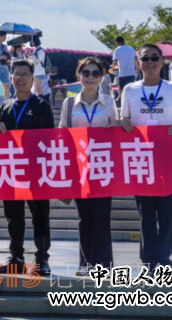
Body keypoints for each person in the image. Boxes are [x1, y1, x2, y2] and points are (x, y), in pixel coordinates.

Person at [120, 43, 172, 269]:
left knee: (168, 208)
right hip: (139, 155)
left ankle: (163, 258)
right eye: (145, 58)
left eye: (154, 58)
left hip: (167, 154)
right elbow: (124, 120)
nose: (150, 62)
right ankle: (149, 258)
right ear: (137, 63)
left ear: (162, 62)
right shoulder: (129, 89)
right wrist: (123, 123)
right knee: (145, 209)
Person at [59, 57, 126, 275]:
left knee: (102, 216)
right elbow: (62, 132)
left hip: (102, 166)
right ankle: (85, 263)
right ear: (78, 76)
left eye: (95, 73)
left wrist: (120, 125)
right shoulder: (69, 103)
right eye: (85, 73)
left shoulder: (109, 102)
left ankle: (104, 265)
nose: (90, 77)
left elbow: (115, 132)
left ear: (102, 77)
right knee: (84, 217)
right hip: (79, 166)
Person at [0, 59, 54, 276]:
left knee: (40, 216)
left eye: (24, 74)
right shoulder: (5, 107)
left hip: (36, 172)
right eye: (16, 74)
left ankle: (41, 259)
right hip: (10, 171)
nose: (20, 78)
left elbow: (49, 139)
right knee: (13, 216)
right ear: (11, 78)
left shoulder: (41, 106)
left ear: (32, 79)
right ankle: (16, 257)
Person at [112, 36, 137, 102]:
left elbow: (115, 62)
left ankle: (123, 103)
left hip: (123, 74)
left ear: (116, 42)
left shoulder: (117, 49)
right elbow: (136, 61)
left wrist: (112, 66)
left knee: (123, 90)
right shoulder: (131, 49)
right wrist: (138, 71)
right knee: (131, 90)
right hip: (132, 73)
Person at [30, 36, 51, 102]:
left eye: (32, 41)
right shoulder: (35, 50)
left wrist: (31, 55)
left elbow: (37, 61)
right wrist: (30, 56)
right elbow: (32, 61)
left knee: (39, 92)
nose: (31, 43)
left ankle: (42, 106)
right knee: (36, 92)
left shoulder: (41, 51)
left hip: (40, 73)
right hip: (35, 73)